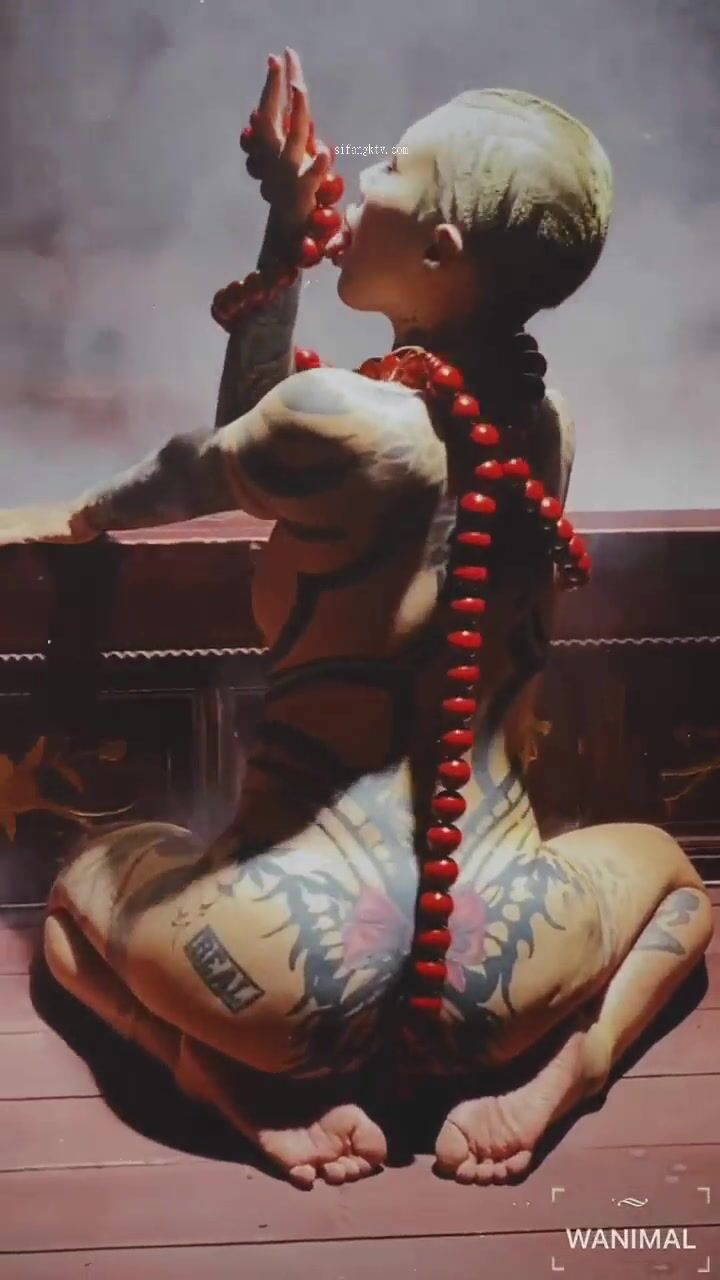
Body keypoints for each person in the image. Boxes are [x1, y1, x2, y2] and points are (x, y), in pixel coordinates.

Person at [1, 50, 712, 1190]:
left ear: (439, 250)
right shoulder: (543, 423)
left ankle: (204, 1073)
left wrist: (76, 514)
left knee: (76, 893)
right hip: (495, 981)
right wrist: (294, 237)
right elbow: (308, 447)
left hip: (286, 982)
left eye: (393, 170)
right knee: (678, 884)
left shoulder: (340, 418)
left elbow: (204, 465)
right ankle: (573, 1069)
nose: (363, 178)